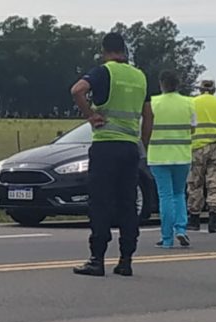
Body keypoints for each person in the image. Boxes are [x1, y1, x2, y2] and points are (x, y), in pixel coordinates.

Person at [70, 33, 153, 277]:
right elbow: (148, 116)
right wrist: (142, 146)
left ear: (105, 51)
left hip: (106, 146)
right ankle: (126, 259)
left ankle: (97, 259)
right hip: (130, 148)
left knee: (101, 202)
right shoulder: (140, 77)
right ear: (124, 50)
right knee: (128, 203)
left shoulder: (104, 72)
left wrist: (90, 115)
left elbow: (77, 90)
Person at [148, 70, 196, 249]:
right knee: (179, 194)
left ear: (161, 84)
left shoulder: (153, 102)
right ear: (179, 84)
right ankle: (181, 229)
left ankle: (167, 238)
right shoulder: (189, 103)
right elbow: (193, 128)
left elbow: (145, 128)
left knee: (165, 196)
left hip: (159, 155)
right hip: (182, 155)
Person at [187, 78, 216, 233]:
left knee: (195, 183)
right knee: (215, 184)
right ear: (214, 89)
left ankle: (194, 219)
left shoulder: (192, 103)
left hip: (196, 148)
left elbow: (187, 125)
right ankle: (213, 221)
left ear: (200, 89)